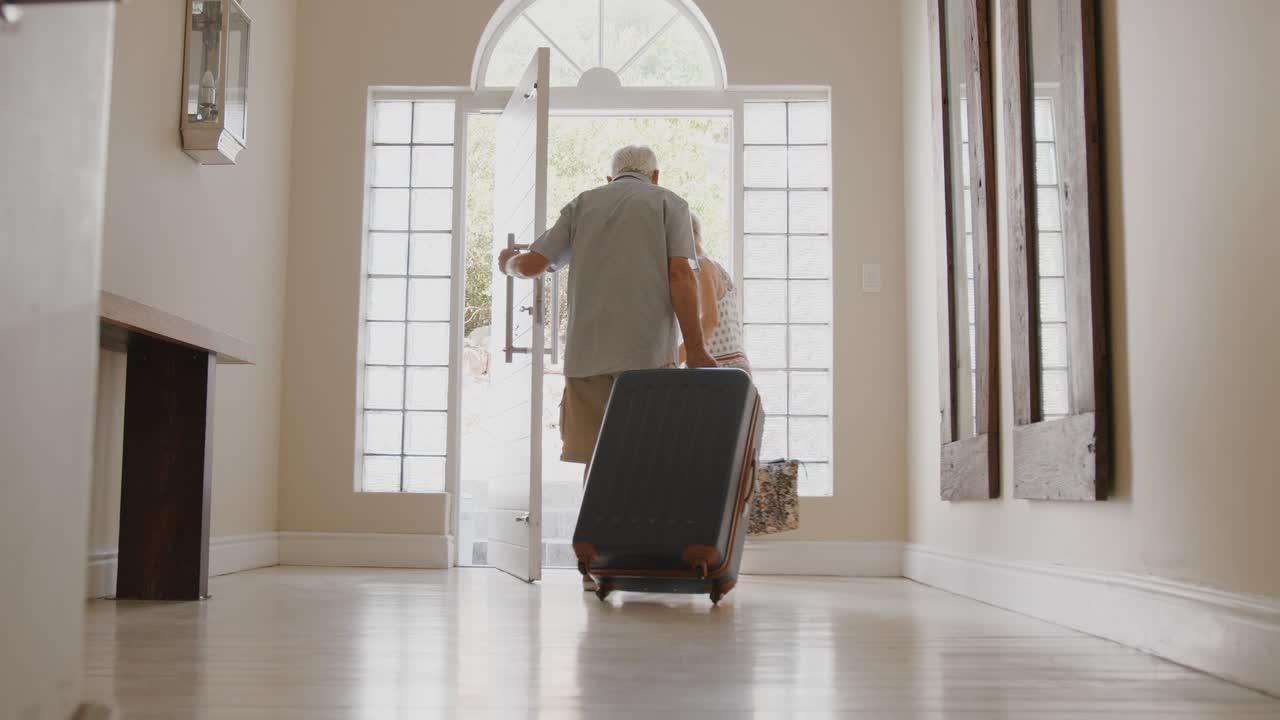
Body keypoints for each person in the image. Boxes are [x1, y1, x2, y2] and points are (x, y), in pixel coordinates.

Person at [497, 145, 717, 589]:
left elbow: (535, 264)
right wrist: (694, 349)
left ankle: (594, 563)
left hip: (588, 354)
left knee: (596, 462)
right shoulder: (668, 203)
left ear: (610, 176)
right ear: (654, 175)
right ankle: (645, 559)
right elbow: (681, 275)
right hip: (647, 359)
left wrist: (507, 264)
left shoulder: (583, 203)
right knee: (649, 458)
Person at [679, 213, 751, 374]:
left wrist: (674, 358)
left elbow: (709, 320)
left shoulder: (700, 266)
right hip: (735, 365)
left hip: (719, 367)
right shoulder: (715, 266)